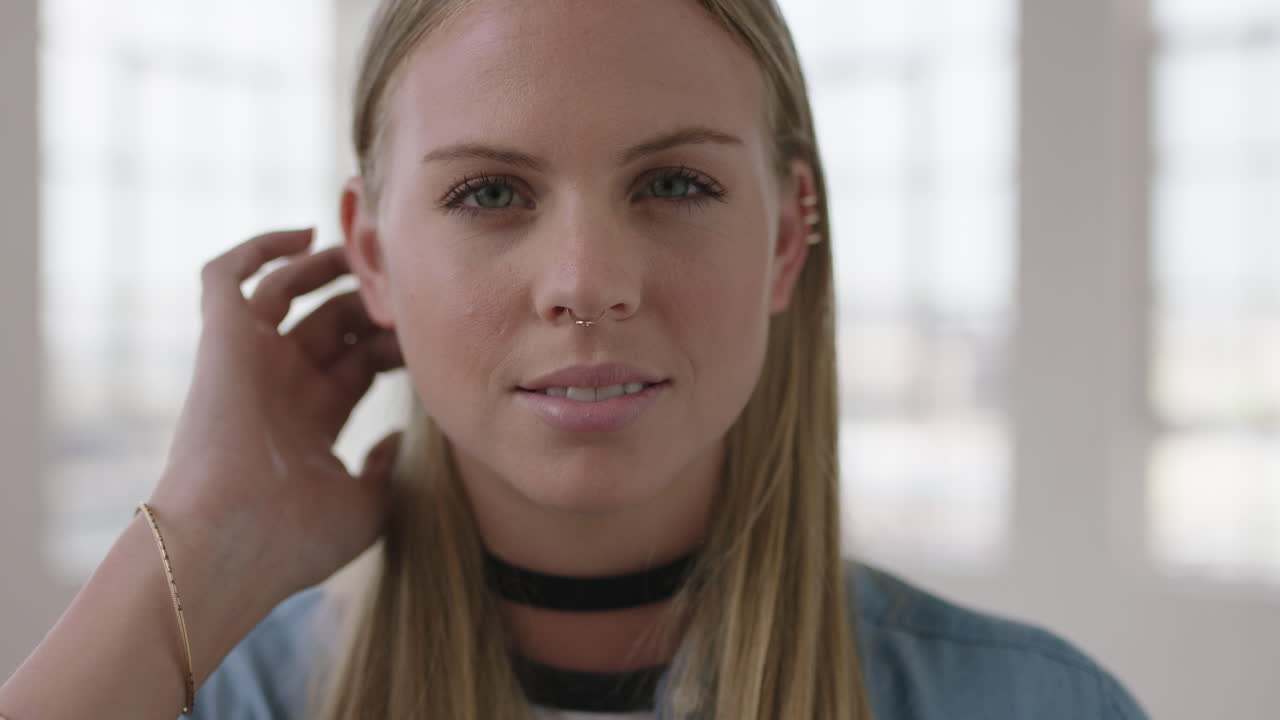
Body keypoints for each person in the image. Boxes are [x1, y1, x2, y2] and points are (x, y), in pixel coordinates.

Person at [0, 1, 1151, 718]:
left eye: (673, 184)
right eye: (490, 192)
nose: (588, 281)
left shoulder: (1036, 707)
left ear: (788, 236)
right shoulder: (219, 700)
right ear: (374, 253)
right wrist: (192, 554)